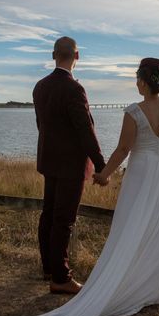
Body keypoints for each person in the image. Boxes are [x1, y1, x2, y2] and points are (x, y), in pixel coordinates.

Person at [0, 57, 159, 316]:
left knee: (129, 227)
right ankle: (150, 287)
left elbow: (122, 150)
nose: (136, 83)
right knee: (158, 229)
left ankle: (124, 282)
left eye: (137, 78)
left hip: (142, 173)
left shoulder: (134, 111)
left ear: (144, 82)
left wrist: (104, 174)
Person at [32, 36, 107, 295]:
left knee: (49, 215)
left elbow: (43, 126)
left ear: (54, 55)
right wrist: (101, 165)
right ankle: (61, 277)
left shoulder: (40, 86)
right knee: (63, 221)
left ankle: (48, 268)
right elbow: (85, 131)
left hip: (49, 160)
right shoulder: (74, 89)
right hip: (70, 166)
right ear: (77, 56)